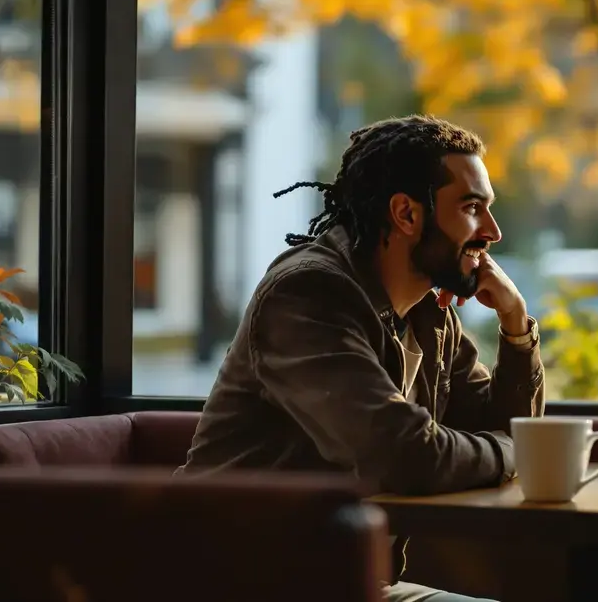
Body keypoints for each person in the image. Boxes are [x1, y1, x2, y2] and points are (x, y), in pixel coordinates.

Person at [177, 115, 544, 602]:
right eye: (472, 208)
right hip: (237, 581)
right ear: (407, 215)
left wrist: (516, 325)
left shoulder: (428, 314)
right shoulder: (308, 294)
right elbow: (406, 455)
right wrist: (515, 454)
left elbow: (508, 427)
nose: (493, 232)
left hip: (339, 581)